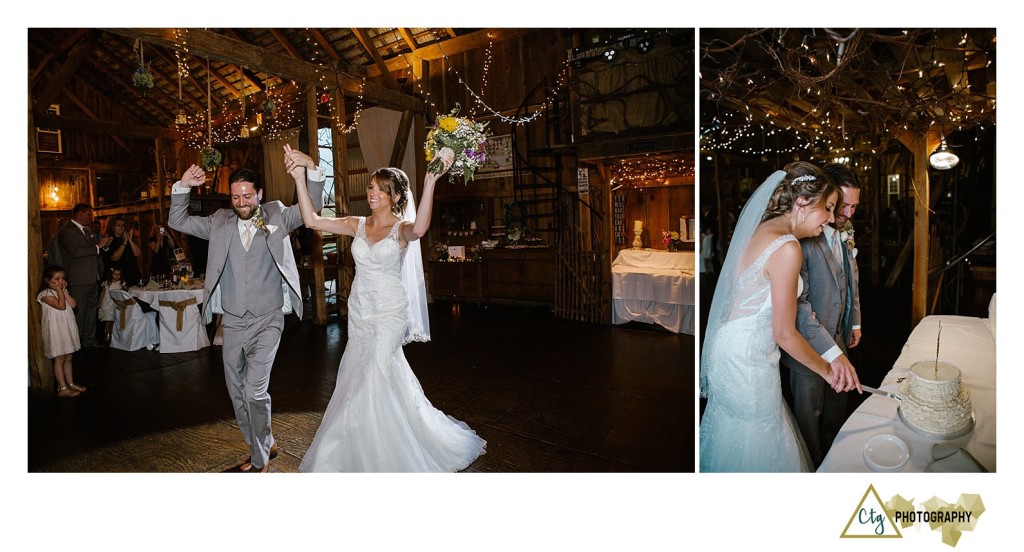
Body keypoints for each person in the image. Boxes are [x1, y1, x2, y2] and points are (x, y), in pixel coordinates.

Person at [290, 145, 486, 472]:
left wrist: (431, 181)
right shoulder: (357, 223)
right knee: (359, 375)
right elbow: (311, 220)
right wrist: (299, 178)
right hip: (362, 312)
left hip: (390, 313)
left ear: (395, 197)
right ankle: (360, 445)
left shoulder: (401, 230)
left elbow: (420, 229)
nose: (372, 192)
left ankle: (382, 455)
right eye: (371, 186)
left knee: (373, 374)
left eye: (381, 189)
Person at [699, 161, 861, 472]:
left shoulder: (763, 228)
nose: (830, 218)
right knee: (757, 434)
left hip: (731, 347)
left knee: (735, 432)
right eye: (826, 208)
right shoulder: (788, 247)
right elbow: (785, 333)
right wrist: (828, 371)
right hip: (749, 359)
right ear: (802, 204)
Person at [168, 155, 326, 473]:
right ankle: (263, 440)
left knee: (255, 388)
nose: (241, 202)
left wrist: (310, 168)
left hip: (268, 319)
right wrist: (183, 185)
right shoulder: (219, 222)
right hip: (233, 321)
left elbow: (315, 207)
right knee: (236, 391)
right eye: (236, 196)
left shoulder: (278, 214)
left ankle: (259, 461)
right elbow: (179, 222)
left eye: (247, 196)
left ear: (260, 193)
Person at [780, 163, 863, 468]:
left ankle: (834, 459)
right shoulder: (800, 238)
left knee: (835, 408)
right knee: (808, 414)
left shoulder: (847, 230)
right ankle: (811, 465)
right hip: (808, 344)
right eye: (843, 205)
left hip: (840, 334)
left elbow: (852, 279)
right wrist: (829, 352)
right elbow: (797, 305)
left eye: (855, 206)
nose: (848, 214)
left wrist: (854, 321)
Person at [57, 203, 113, 347]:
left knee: (91, 310)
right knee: (79, 312)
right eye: (89, 214)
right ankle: (76, 342)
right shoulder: (67, 231)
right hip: (79, 278)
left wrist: (104, 245)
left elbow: (95, 249)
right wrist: (97, 246)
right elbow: (76, 251)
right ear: (79, 214)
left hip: (93, 276)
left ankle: (90, 340)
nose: (91, 217)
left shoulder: (88, 230)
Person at [37, 265, 84, 398]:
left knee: (69, 357)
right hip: (55, 330)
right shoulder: (45, 294)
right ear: (47, 280)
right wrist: (59, 290)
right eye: (57, 279)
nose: (61, 281)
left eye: (63, 278)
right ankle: (62, 387)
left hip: (66, 328)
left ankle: (70, 383)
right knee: (60, 358)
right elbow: (61, 306)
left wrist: (64, 291)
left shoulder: (63, 291)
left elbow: (73, 304)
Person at [103, 216, 142, 287]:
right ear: (113, 227)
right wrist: (124, 243)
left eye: (123, 225)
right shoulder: (109, 240)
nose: (121, 227)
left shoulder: (126, 239)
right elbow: (114, 258)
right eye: (118, 225)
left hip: (133, 274)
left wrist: (130, 240)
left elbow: (138, 253)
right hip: (119, 278)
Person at [98, 267, 125, 344]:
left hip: (115, 303)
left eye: (118, 274)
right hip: (107, 303)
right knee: (107, 320)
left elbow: (126, 290)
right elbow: (102, 293)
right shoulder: (107, 282)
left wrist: (125, 287)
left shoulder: (120, 283)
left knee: (114, 319)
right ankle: (108, 333)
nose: (116, 276)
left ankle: (113, 334)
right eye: (114, 274)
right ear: (111, 274)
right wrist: (99, 303)